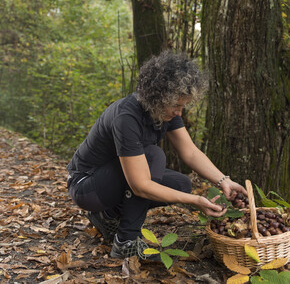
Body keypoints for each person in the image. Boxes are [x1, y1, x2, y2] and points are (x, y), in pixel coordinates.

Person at [66, 51, 247, 260]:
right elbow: (140, 185)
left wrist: (224, 180)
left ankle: (107, 215)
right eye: (176, 106)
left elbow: (189, 152)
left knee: (181, 184)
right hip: (86, 185)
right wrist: (195, 200)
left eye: (182, 106)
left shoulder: (164, 110)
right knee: (153, 156)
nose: (179, 112)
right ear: (158, 97)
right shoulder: (127, 116)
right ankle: (126, 242)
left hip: (110, 180)